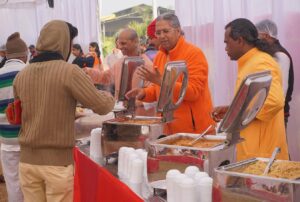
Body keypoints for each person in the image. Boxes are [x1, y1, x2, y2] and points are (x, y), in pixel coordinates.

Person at [13, 20, 115, 201]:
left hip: (27, 161)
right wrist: (110, 96)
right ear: (64, 43)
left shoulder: (22, 75)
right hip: (57, 164)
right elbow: (102, 106)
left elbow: (27, 112)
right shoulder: (69, 71)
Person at [212, 18, 289, 161]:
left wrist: (239, 112)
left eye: (227, 43)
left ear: (240, 40)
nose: (225, 48)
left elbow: (274, 102)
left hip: (262, 153)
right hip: (254, 148)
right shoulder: (251, 62)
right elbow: (256, 100)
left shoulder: (260, 62)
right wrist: (232, 110)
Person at [126, 13, 215, 135]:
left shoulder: (194, 53)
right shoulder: (160, 56)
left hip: (196, 131)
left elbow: (193, 92)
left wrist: (161, 81)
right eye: (158, 33)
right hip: (169, 128)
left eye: (166, 31)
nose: (162, 36)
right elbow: (159, 90)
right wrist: (144, 93)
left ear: (178, 31)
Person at [0, 32, 28, 202]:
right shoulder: (29, 72)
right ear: (24, 55)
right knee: (32, 188)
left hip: (6, 140)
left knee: (13, 186)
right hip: (29, 139)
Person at [256, 19, 294, 128]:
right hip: (269, 113)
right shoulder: (270, 54)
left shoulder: (280, 56)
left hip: (277, 114)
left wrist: (267, 111)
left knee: (278, 145)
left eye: (257, 36)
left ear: (266, 36)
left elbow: (281, 91)